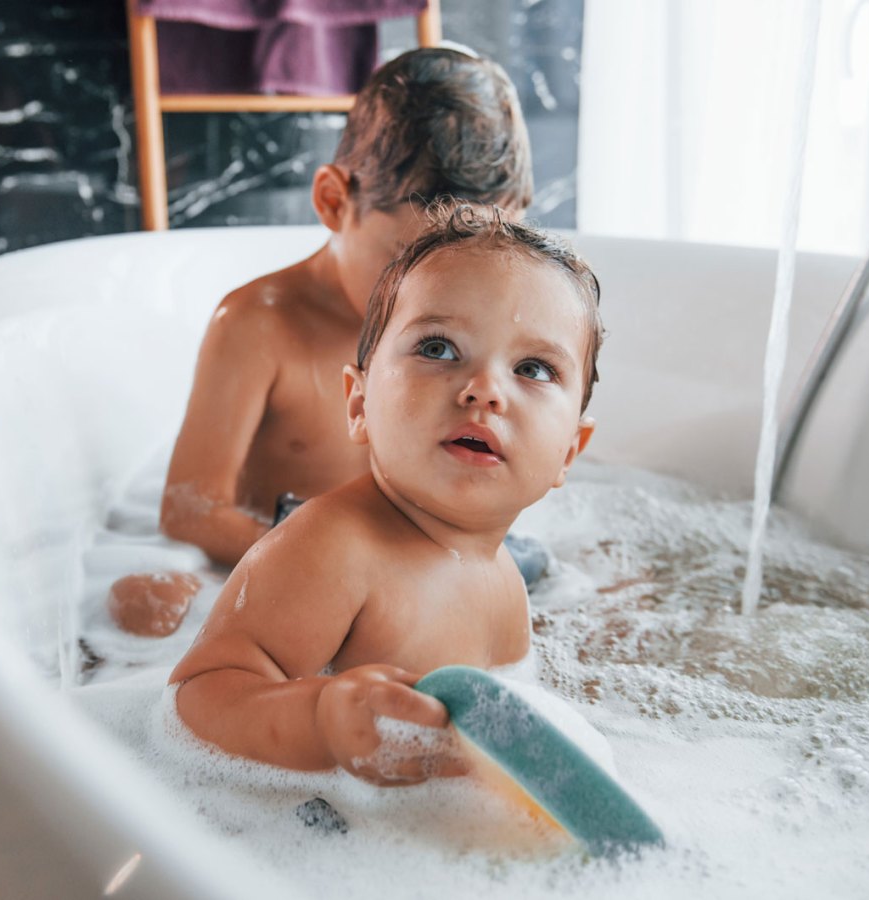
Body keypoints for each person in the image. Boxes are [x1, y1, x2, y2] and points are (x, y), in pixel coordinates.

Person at [168, 202, 602, 785]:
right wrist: (320, 720)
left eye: (533, 368)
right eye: (438, 348)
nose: (484, 390)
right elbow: (197, 698)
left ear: (568, 454)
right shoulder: (333, 547)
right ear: (358, 405)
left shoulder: (505, 587)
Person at [159, 46, 534, 569]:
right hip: (298, 568)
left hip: (428, 564)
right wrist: (353, 566)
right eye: (404, 260)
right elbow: (191, 512)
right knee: (145, 604)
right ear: (335, 202)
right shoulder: (259, 325)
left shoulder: (481, 338)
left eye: (465, 270)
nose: (434, 299)